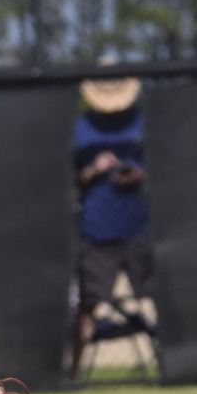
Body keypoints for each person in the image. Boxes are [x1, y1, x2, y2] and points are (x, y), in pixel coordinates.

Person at [68, 66, 157, 378]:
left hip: (139, 226)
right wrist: (94, 169)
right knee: (87, 305)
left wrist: (137, 174)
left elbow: (161, 167)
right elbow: (70, 177)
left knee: (156, 297)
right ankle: (72, 376)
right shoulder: (81, 127)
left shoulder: (142, 121)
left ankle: (169, 367)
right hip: (95, 230)